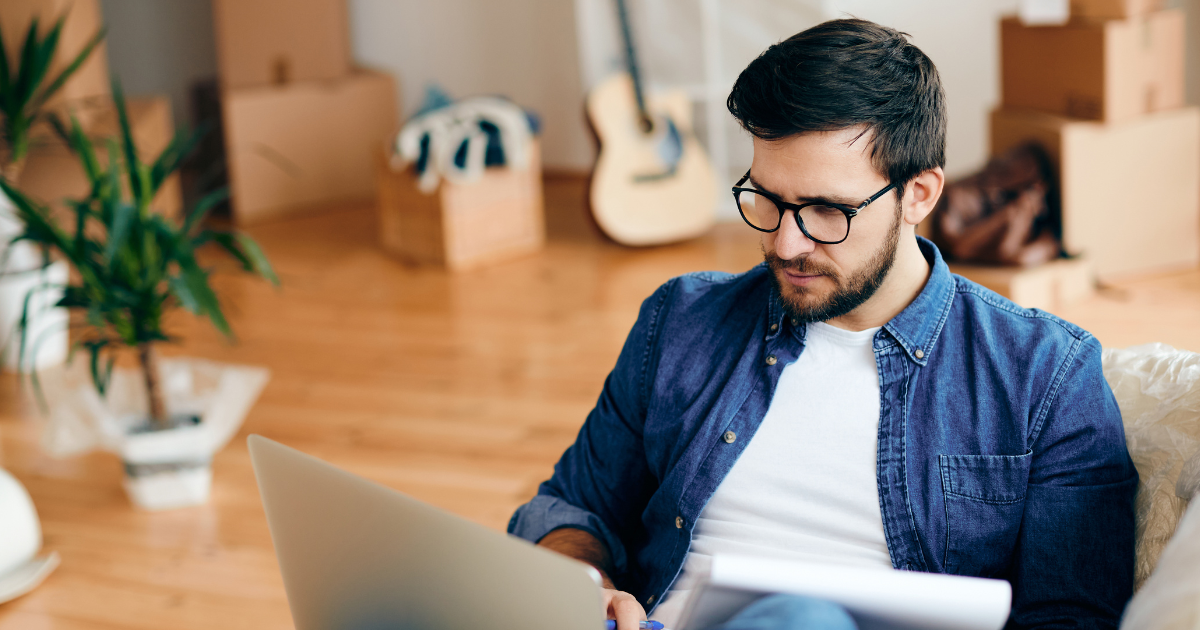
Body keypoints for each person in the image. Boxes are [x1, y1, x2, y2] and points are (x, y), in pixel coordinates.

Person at [509, 18, 1136, 630]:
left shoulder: (1046, 374)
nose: (785, 243)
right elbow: (571, 508)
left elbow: (1071, 615)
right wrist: (585, 586)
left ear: (919, 193)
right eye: (768, 200)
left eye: (824, 210)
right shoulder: (680, 319)